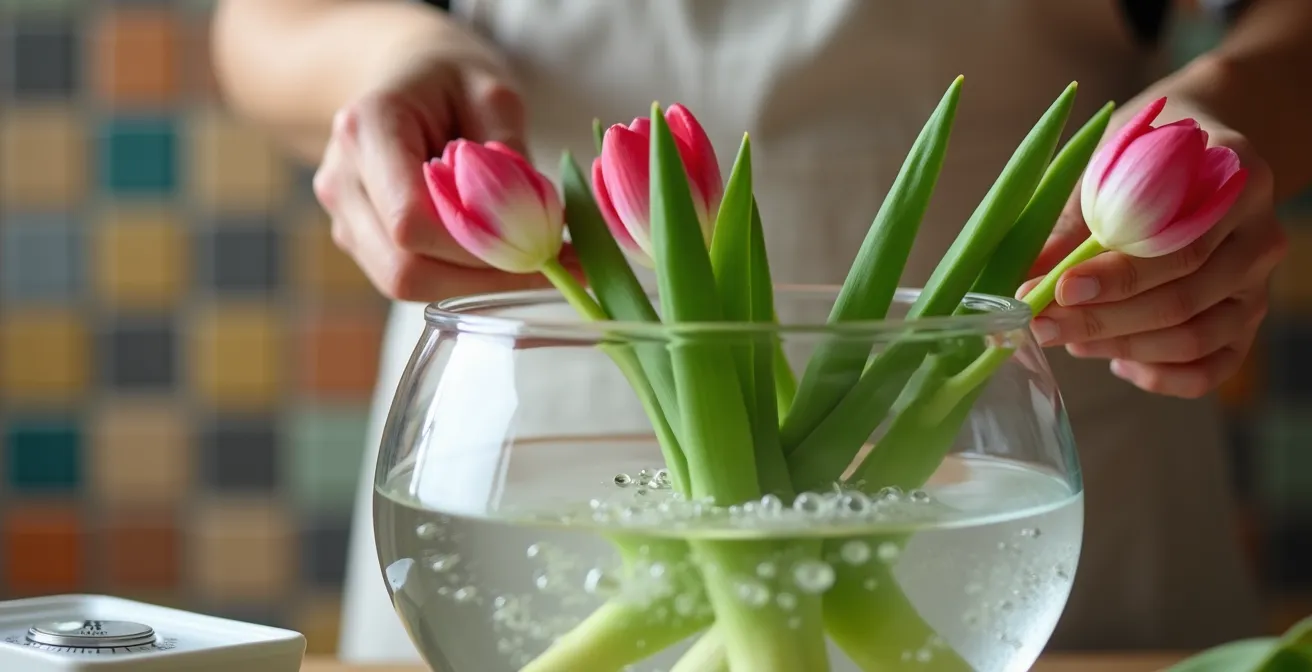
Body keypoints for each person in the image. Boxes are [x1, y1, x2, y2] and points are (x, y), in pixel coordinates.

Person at [211, 0, 1310, 662]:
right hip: (523, 422)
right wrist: (380, 65)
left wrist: (1222, 120)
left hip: (1021, 411)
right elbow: (265, 20)